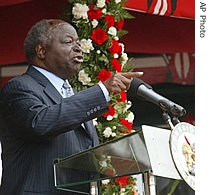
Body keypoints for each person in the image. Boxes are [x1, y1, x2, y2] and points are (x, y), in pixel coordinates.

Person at [0, 19, 143, 194]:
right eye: (68, 42)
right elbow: (40, 123)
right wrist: (102, 91)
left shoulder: (72, 95)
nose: (78, 48)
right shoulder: (20, 87)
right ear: (41, 50)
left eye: (78, 42)